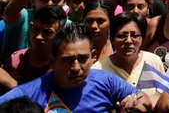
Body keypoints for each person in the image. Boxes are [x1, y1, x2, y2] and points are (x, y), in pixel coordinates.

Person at [0, 23, 150, 111]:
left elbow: (144, 99)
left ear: (94, 56)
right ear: (52, 61)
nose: (76, 67)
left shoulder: (106, 81)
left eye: (83, 59)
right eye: (67, 60)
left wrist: (135, 107)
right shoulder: (26, 94)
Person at [91, 12, 164, 103]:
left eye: (134, 35)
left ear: (142, 38)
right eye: (122, 36)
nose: (128, 41)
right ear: (112, 39)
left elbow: (162, 95)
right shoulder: (98, 69)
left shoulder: (153, 61)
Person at [2, 0, 66, 60]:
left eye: (56, 0)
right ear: (33, 0)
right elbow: (10, 12)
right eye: (44, 0)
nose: (50, 4)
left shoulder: (68, 26)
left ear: (65, 1)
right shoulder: (23, 17)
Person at [2, 5, 66, 86]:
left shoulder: (63, 66)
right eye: (35, 30)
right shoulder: (15, 61)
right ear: (31, 26)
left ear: (60, 34)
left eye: (47, 32)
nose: (38, 37)